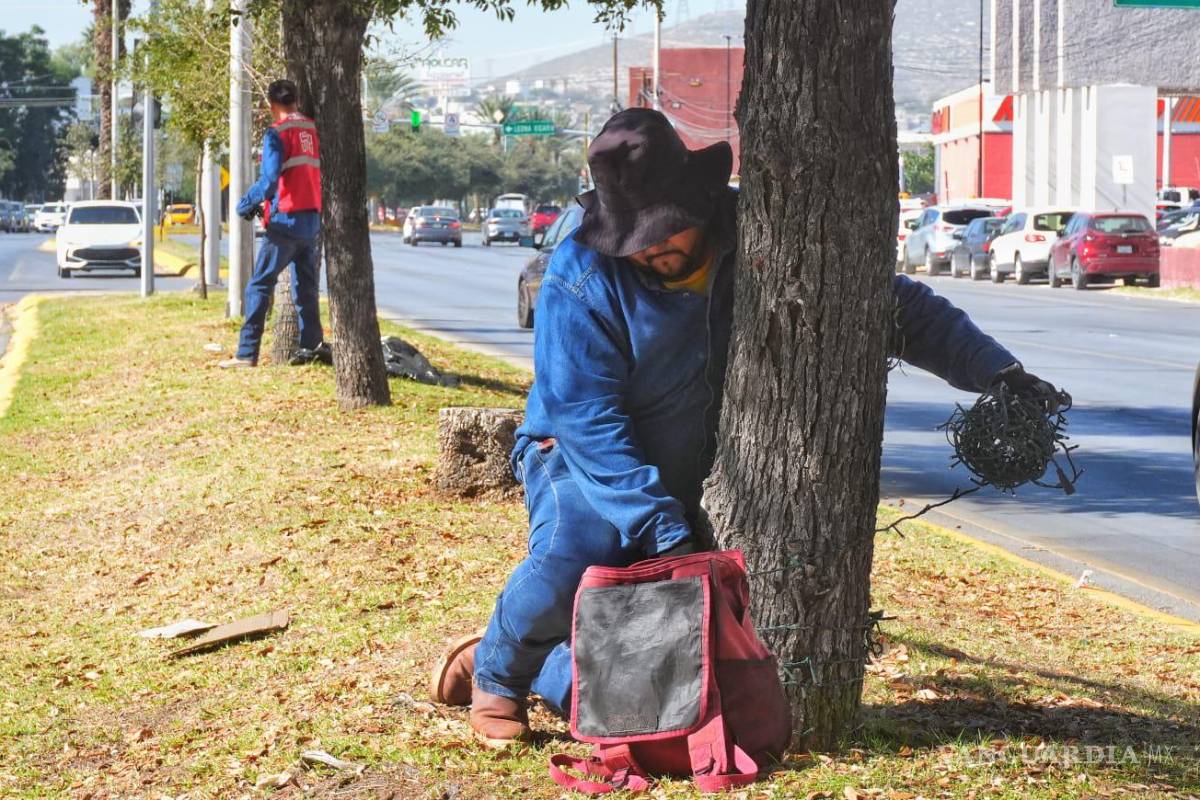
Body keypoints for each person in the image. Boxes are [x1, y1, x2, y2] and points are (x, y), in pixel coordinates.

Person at [427, 108, 1061, 746]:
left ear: (697, 201)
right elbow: (587, 415)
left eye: (663, 229)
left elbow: (894, 305)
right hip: (575, 453)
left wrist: (998, 372)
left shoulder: (764, 236)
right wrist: (660, 527)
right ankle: (501, 674)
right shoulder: (580, 274)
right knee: (580, 551)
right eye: (634, 238)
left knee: (654, 670)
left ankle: (527, 666)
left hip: (698, 457)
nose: (650, 248)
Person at [219, 79, 329, 369]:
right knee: (305, 289)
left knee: (259, 285)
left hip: (286, 223)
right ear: (296, 99)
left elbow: (269, 181)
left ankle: (246, 353)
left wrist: (244, 203)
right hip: (312, 220)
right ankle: (311, 347)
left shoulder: (277, 132)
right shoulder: (311, 128)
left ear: (271, 105)